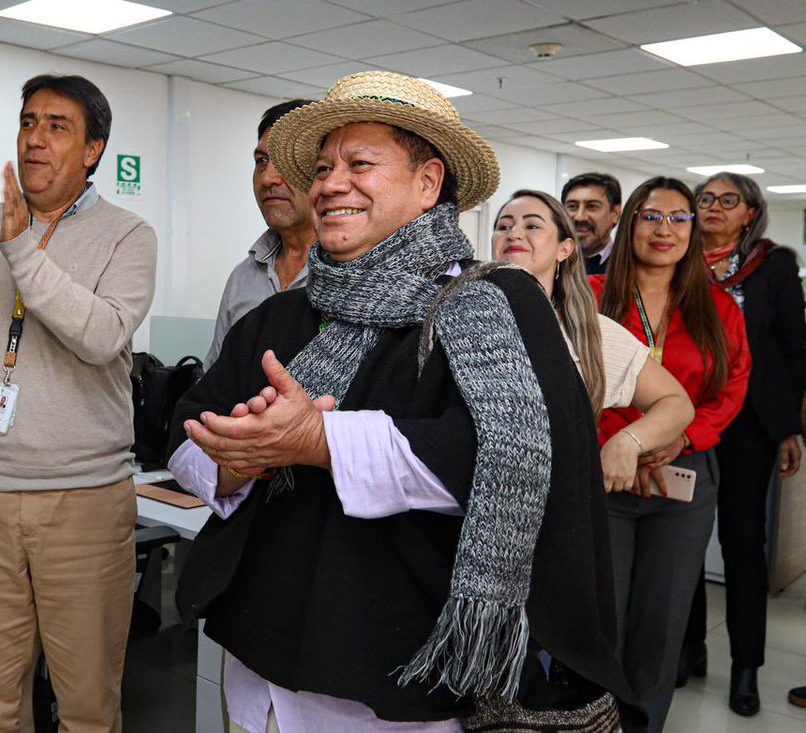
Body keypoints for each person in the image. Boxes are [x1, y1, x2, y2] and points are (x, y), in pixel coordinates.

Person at [169, 71, 635, 732]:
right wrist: (237, 461)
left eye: (360, 164)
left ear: (428, 183)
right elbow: (190, 435)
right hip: (258, 659)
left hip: (400, 677)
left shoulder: (492, 306)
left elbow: (508, 460)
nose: (330, 184)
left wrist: (319, 440)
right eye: (325, 168)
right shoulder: (277, 319)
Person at [0, 74, 156, 731]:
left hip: (83, 499)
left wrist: (19, 250)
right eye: (28, 122)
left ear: (93, 150)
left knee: (86, 704)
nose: (35, 139)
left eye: (56, 126)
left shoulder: (128, 235)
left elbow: (99, 335)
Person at [591, 176, 751, 731]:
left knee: (661, 623)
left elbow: (731, 389)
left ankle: (643, 724)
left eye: (679, 218)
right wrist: (624, 442)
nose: (665, 230)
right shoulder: (588, 295)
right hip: (606, 475)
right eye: (651, 216)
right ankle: (592, 719)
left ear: (693, 229)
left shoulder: (718, 308)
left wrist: (679, 435)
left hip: (683, 477)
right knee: (601, 616)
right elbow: (577, 384)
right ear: (629, 221)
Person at [675, 172, 806, 716]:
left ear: (750, 213)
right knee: (682, 537)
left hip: (750, 423)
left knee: (741, 541)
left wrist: (788, 428)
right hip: (684, 413)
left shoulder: (772, 265)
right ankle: (690, 647)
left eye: (729, 201)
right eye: (705, 199)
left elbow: (792, 348)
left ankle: (746, 667)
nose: (714, 208)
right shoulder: (679, 258)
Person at [491, 189, 693, 494]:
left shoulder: (589, 333)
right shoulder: (460, 318)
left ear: (565, 249)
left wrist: (627, 442)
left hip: (559, 502)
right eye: (504, 226)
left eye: (532, 226)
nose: (514, 233)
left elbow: (676, 404)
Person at [204, 99, 313, 369]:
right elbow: (212, 378)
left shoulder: (354, 278)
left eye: (288, 161)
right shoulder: (243, 277)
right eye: (261, 161)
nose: (268, 178)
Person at [562, 172, 622, 276]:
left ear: (615, 214)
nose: (580, 217)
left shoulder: (628, 269)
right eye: (572, 206)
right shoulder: (548, 263)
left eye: (592, 206)